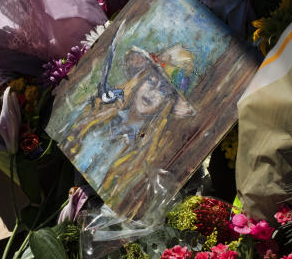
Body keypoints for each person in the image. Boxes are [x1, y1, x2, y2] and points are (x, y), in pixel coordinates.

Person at [64, 43, 197, 215]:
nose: (152, 92)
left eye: (163, 90)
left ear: (167, 103)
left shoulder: (147, 150)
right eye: (150, 81)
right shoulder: (102, 112)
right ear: (139, 81)